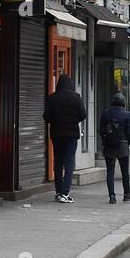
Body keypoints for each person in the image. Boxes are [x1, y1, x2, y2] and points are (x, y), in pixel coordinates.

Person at [43, 74, 86, 204]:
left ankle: (58, 190)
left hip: (56, 135)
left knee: (58, 162)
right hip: (71, 135)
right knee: (69, 163)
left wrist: (56, 121)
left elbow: (46, 116)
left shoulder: (52, 98)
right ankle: (65, 193)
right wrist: (73, 120)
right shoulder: (76, 97)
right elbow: (83, 115)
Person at [99, 93, 130, 203]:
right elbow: (129, 133)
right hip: (123, 145)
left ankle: (112, 196)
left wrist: (105, 141)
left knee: (110, 171)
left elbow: (101, 130)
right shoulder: (127, 114)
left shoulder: (106, 113)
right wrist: (126, 143)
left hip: (109, 146)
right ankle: (126, 194)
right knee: (125, 172)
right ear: (123, 103)